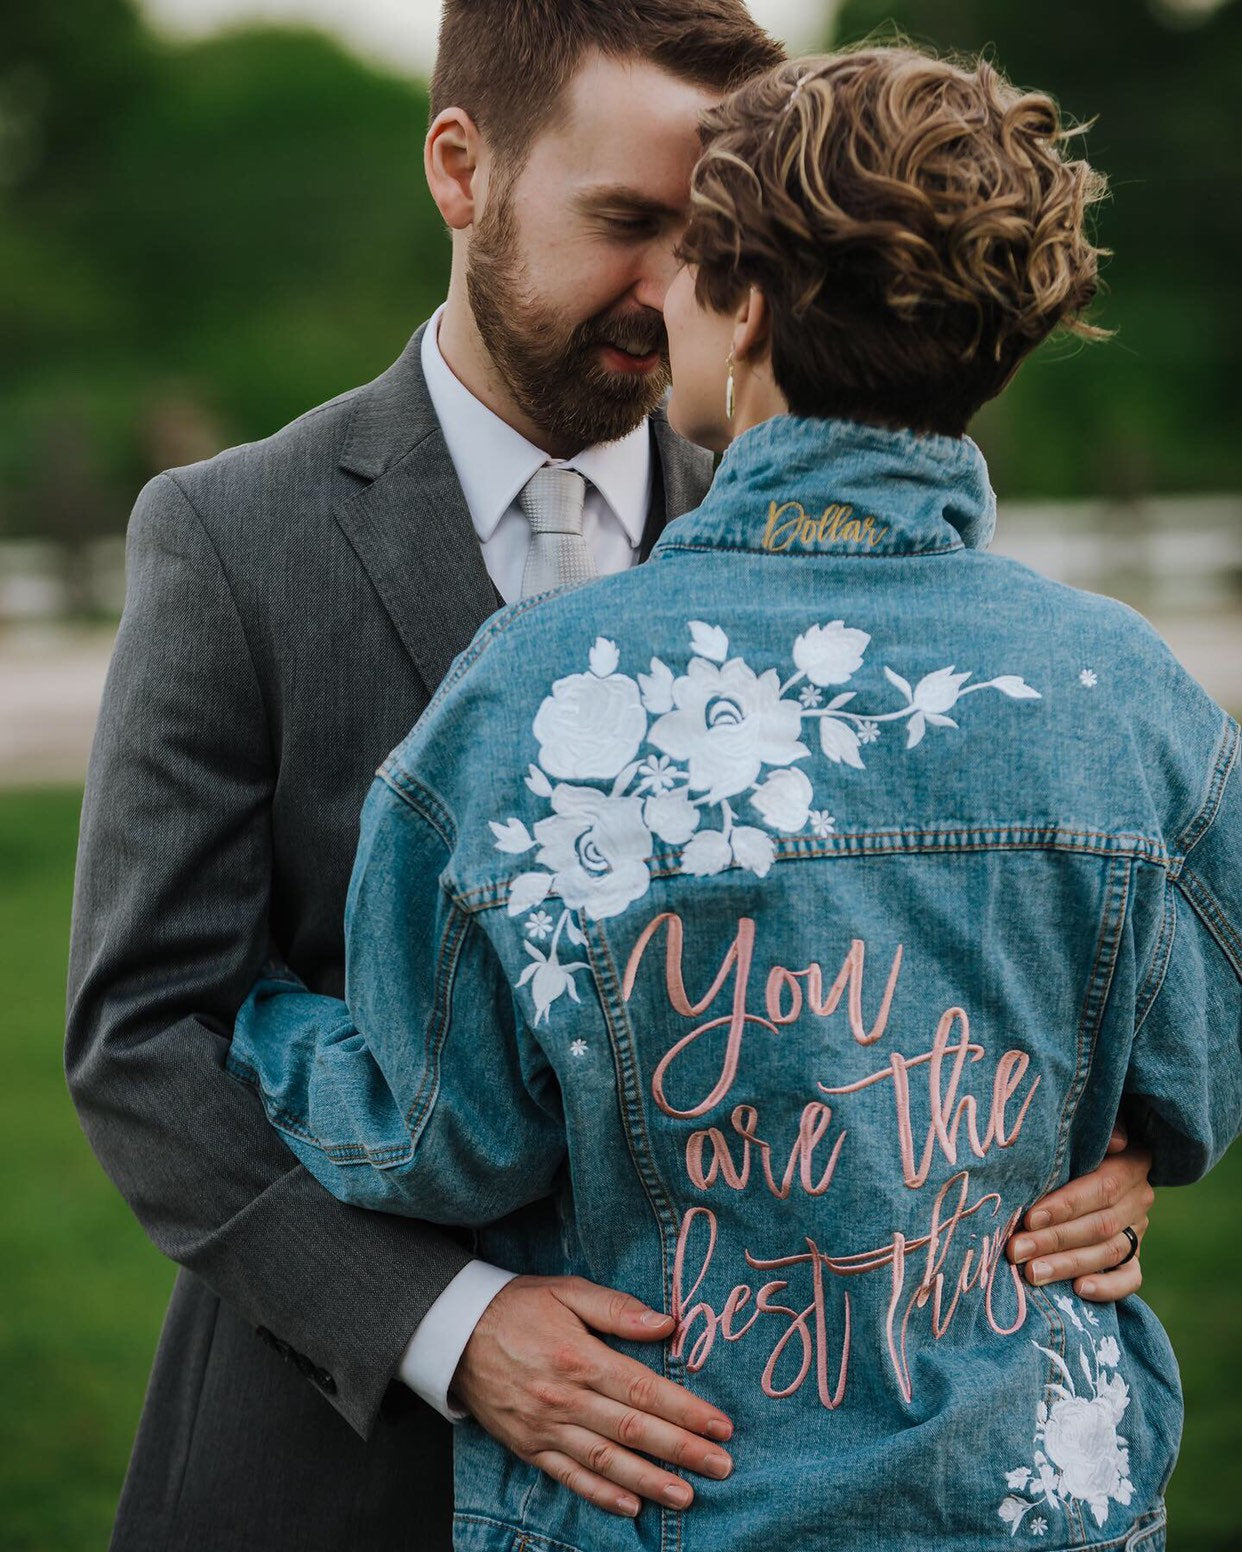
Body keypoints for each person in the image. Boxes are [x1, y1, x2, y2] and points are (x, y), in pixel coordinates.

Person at [65, 4, 1155, 1547]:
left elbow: (955, 967)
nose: (671, 292)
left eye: (708, 241)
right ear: (461, 168)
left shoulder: (826, 551)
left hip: (746, 1478)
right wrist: (448, 1328)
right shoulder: (233, 540)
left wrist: (1092, 1165)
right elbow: (143, 1031)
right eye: (625, 223)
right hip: (336, 1458)